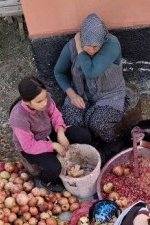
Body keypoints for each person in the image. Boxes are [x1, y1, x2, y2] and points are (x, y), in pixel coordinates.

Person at [9, 76, 92, 192]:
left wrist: (60, 132)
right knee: (54, 168)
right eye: (39, 102)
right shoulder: (18, 117)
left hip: (49, 131)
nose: (44, 103)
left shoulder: (45, 97)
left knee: (83, 135)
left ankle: (83, 157)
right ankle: (44, 180)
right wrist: (52, 145)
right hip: (33, 146)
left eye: (44, 99)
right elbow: (28, 145)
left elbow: (55, 115)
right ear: (27, 102)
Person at [53, 13, 126, 145]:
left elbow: (90, 72)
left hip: (110, 95)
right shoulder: (70, 47)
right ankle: (88, 148)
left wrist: (81, 48)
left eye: (96, 46)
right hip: (80, 94)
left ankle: (112, 145)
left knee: (97, 123)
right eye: (89, 46)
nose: (92, 50)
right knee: (71, 121)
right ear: (82, 39)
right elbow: (59, 72)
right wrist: (72, 95)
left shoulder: (111, 44)